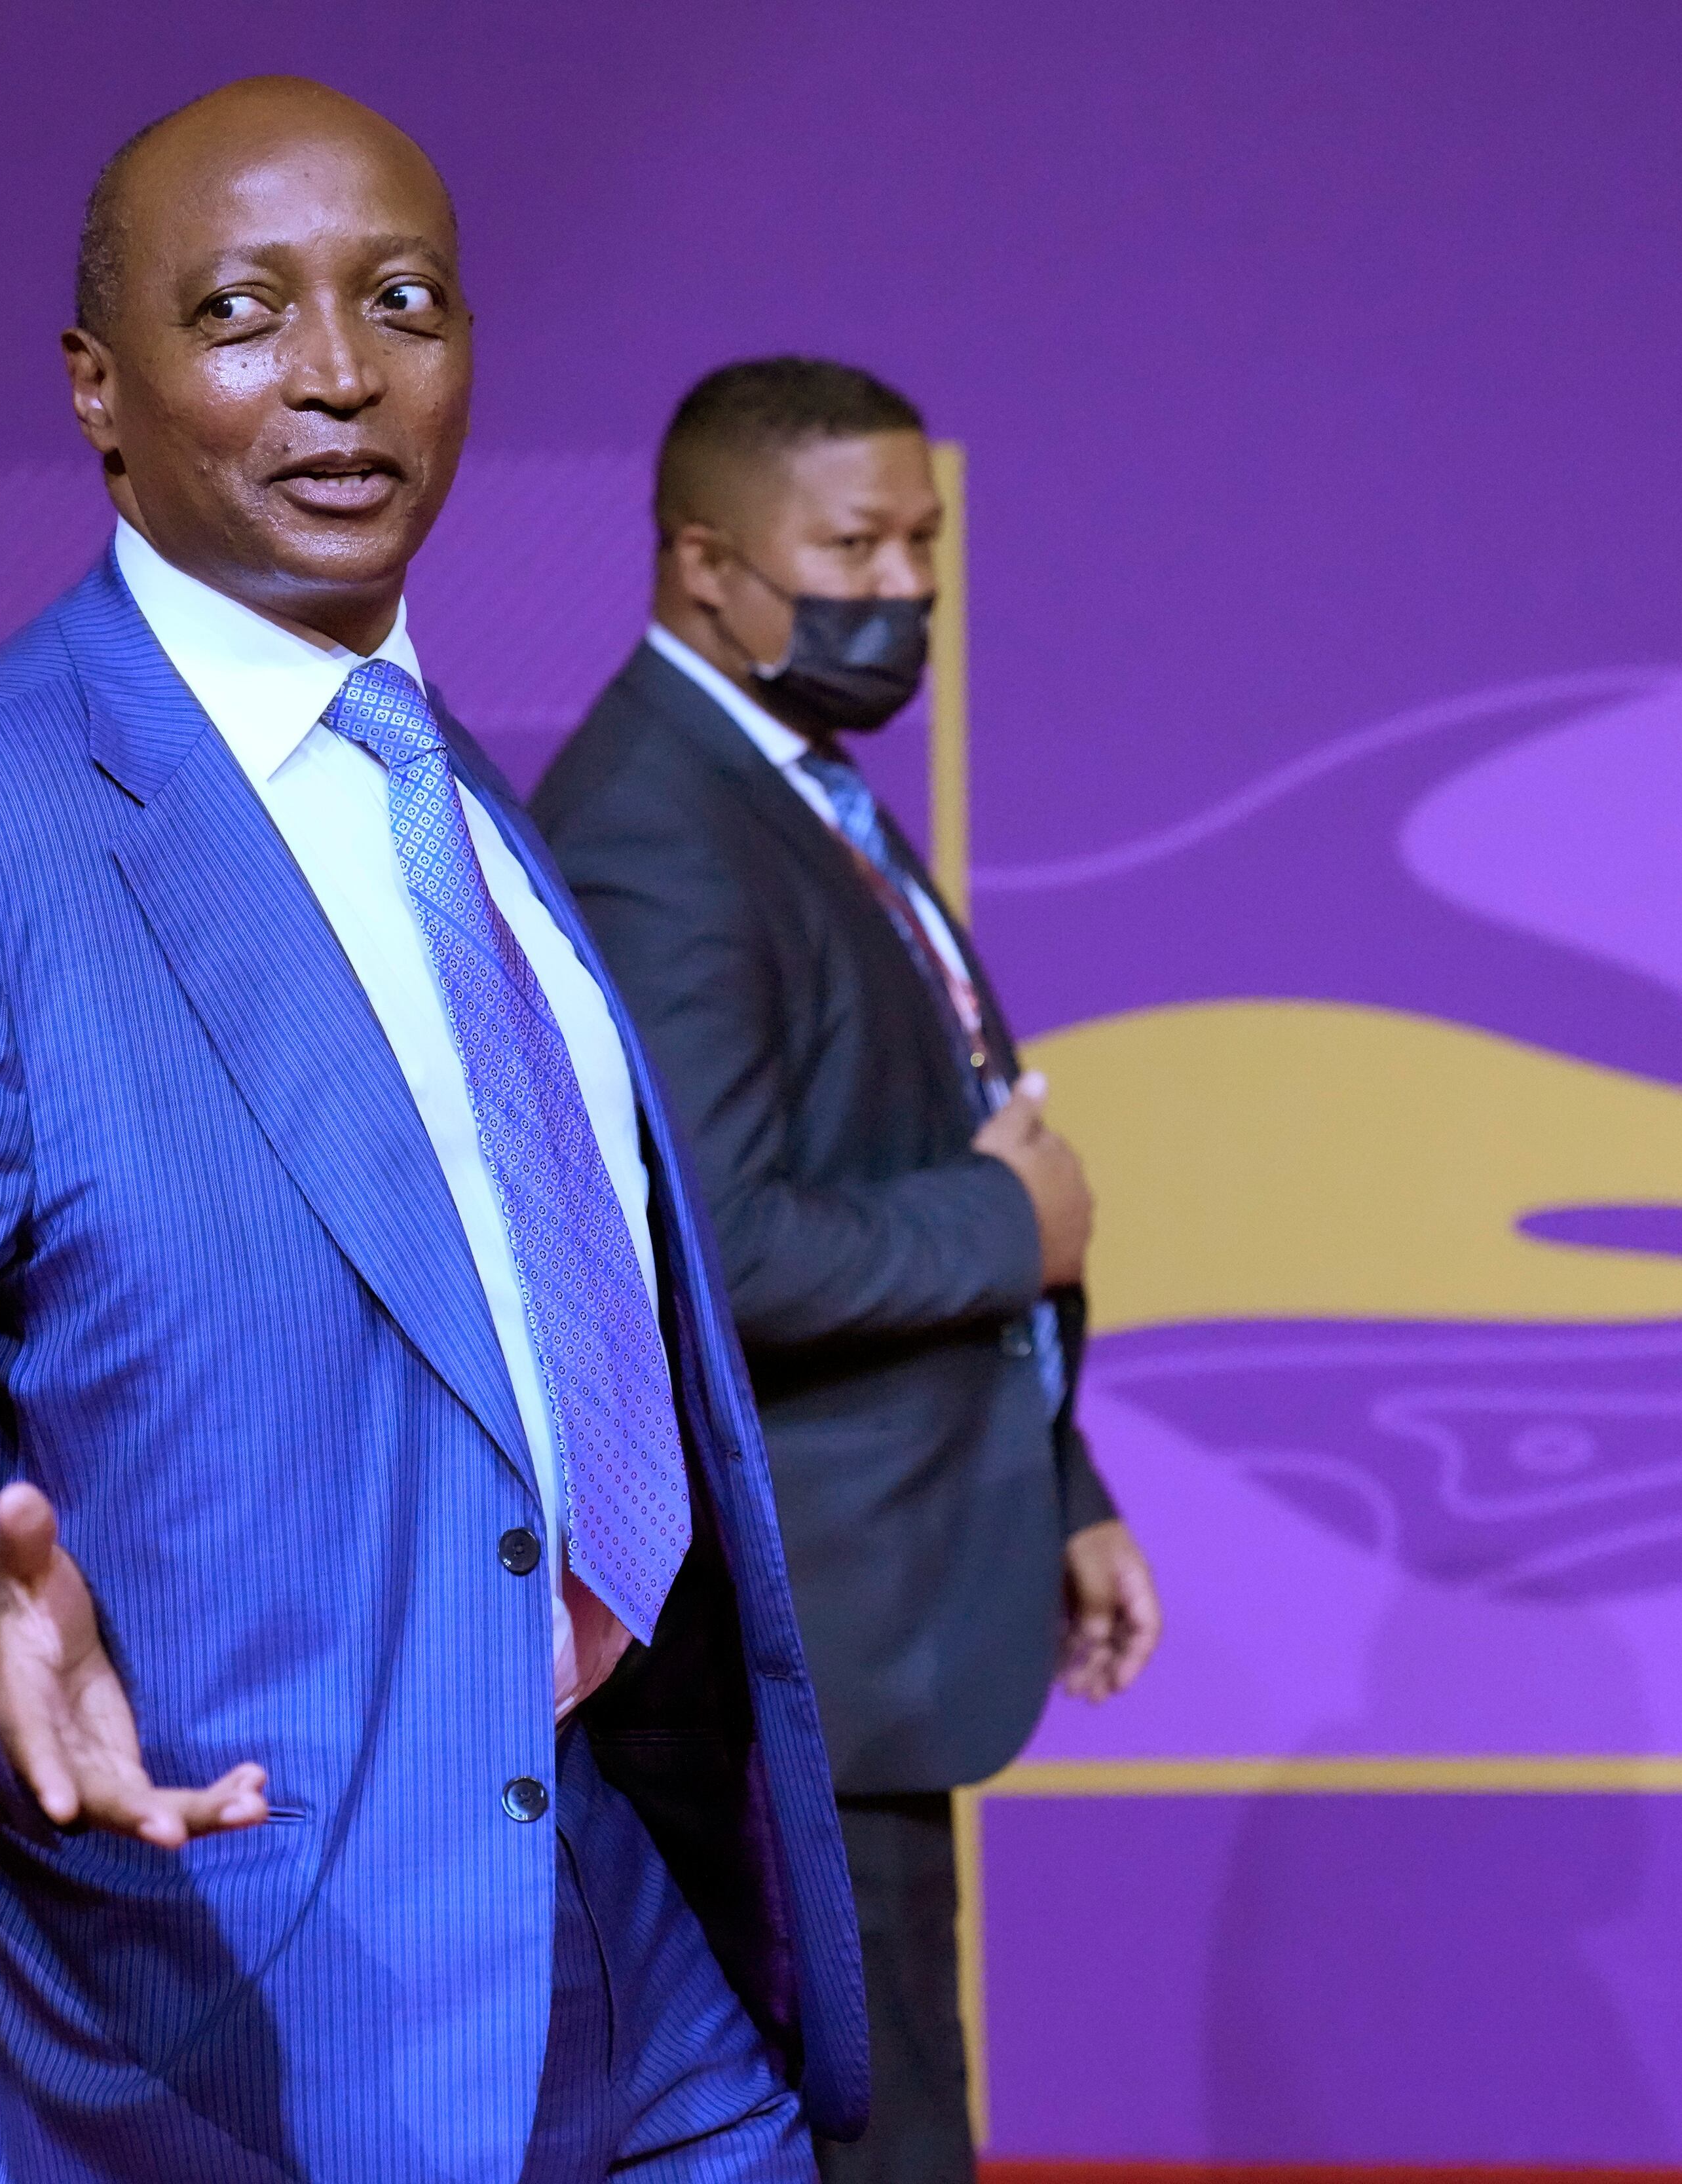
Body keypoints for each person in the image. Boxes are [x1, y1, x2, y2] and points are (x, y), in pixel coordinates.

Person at [0, 84, 867, 2184]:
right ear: (98, 390)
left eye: (404, 302)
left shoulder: (436, 773)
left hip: (592, 1887)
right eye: (240, 313)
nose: (339, 371)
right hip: (230, 1973)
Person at [529, 360, 1163, 2183]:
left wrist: (1058, 1483)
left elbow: (898, 1136)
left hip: (885, 1613)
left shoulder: (793, 787)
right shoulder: (655, 826)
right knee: (857, 2149)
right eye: (855, 549)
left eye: (924, 545)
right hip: (780, 1658)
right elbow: (711, 1247)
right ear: (705, 564)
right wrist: (1014, 1230)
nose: (904, 591)